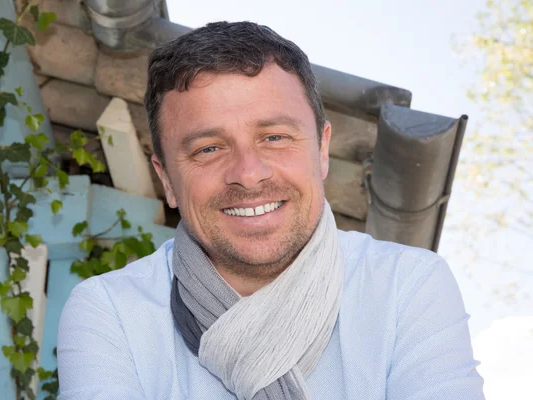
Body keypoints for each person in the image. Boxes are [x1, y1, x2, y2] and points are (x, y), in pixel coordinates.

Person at [57, 21, 484, 399]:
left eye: (275, 138)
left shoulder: (407, 287)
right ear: (166, 178)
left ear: (322, 149)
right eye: (208, 148)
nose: (248, 173)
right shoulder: (110, 312)